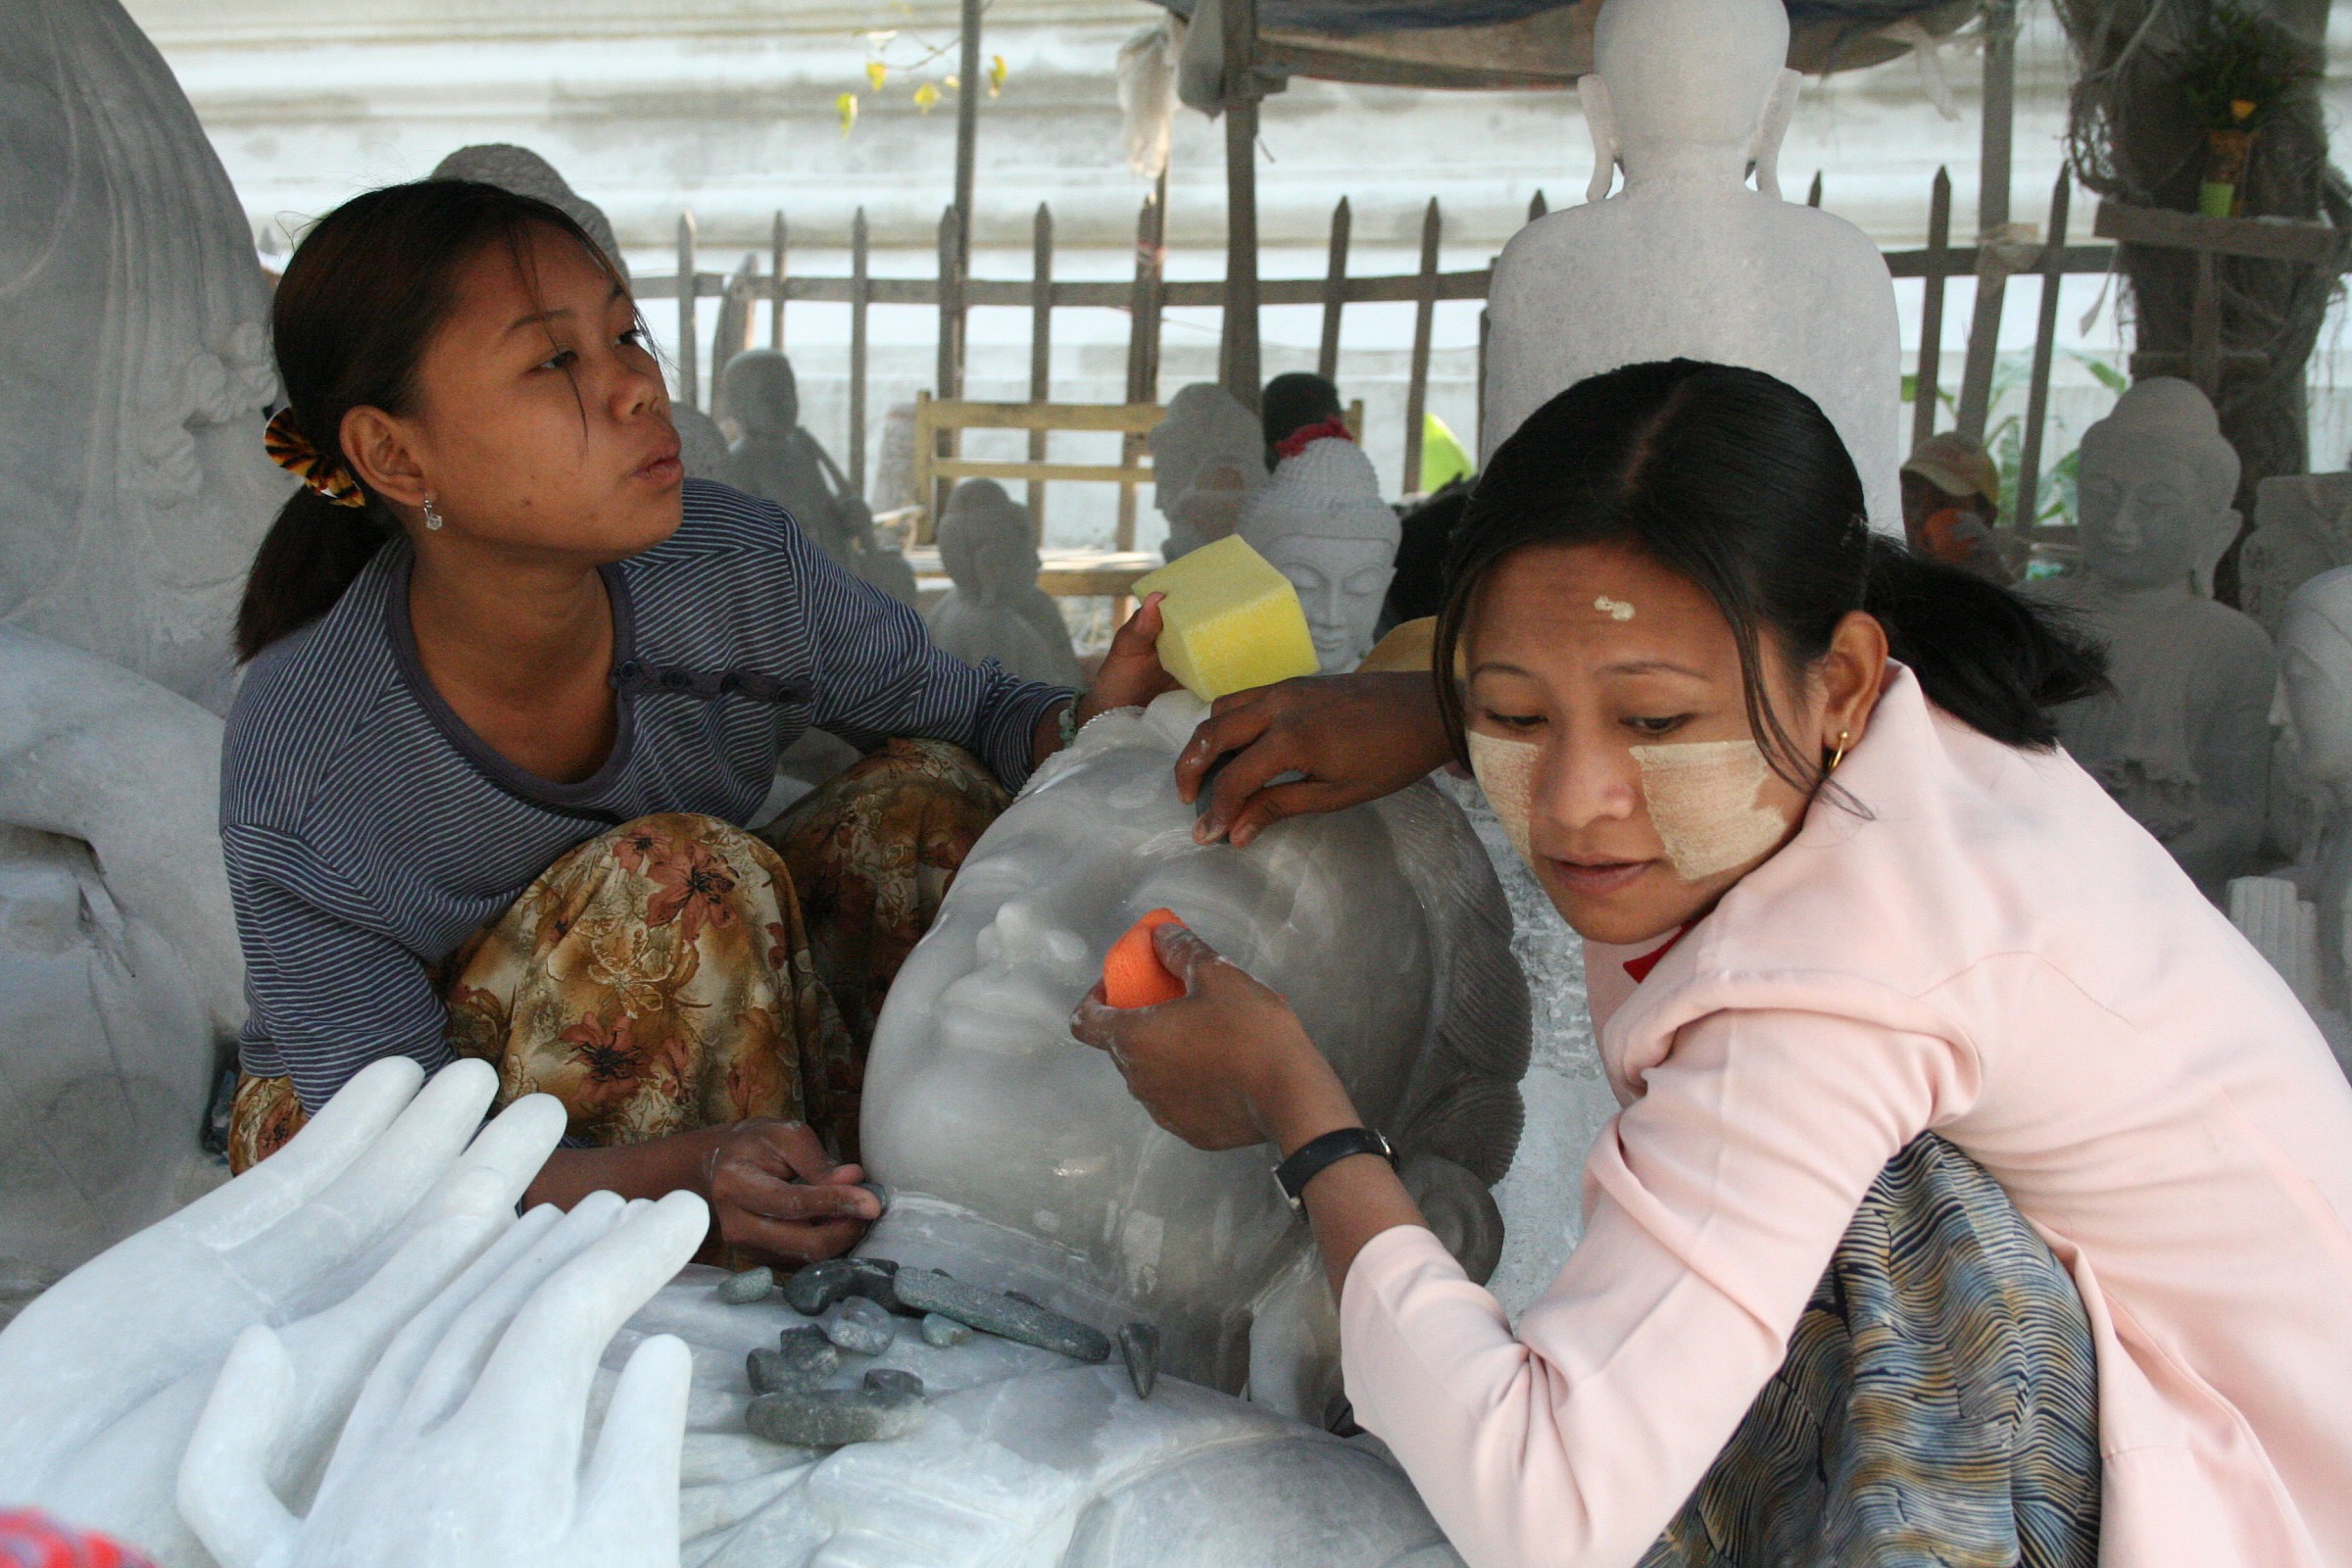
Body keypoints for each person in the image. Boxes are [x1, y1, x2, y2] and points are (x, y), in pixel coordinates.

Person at [1081, 360, 2352, 1564]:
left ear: (1842, 680)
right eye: (1518, 711)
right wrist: (1437, 720)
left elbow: (1550, 1509)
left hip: (2256, 1503)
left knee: (1878, 1224)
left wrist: (1299, 1113)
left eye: (1655, 722)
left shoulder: (1829, 978)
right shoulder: (1876, 722)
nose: (1576, 803)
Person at [219, 179, 1172, 1267]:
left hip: (688, 1088)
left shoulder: (731, 572)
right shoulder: (313, 754)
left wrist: (1093, 718)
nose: (634, 387)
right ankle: (722, 1294)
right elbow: (380, 1149)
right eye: (555, 360)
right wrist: (676, 1188)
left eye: (627, 333)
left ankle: (891, 1207)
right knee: (679, 879)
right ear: (396, 456)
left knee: (932, 802)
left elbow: (982, 716)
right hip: (383, 1160)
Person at [1900, 430, 2016, 583]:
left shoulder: (1991, 578)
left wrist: (1993, 577)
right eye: (1910, 502)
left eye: (1940, 505)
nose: (1919, 517)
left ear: (1986, 518)